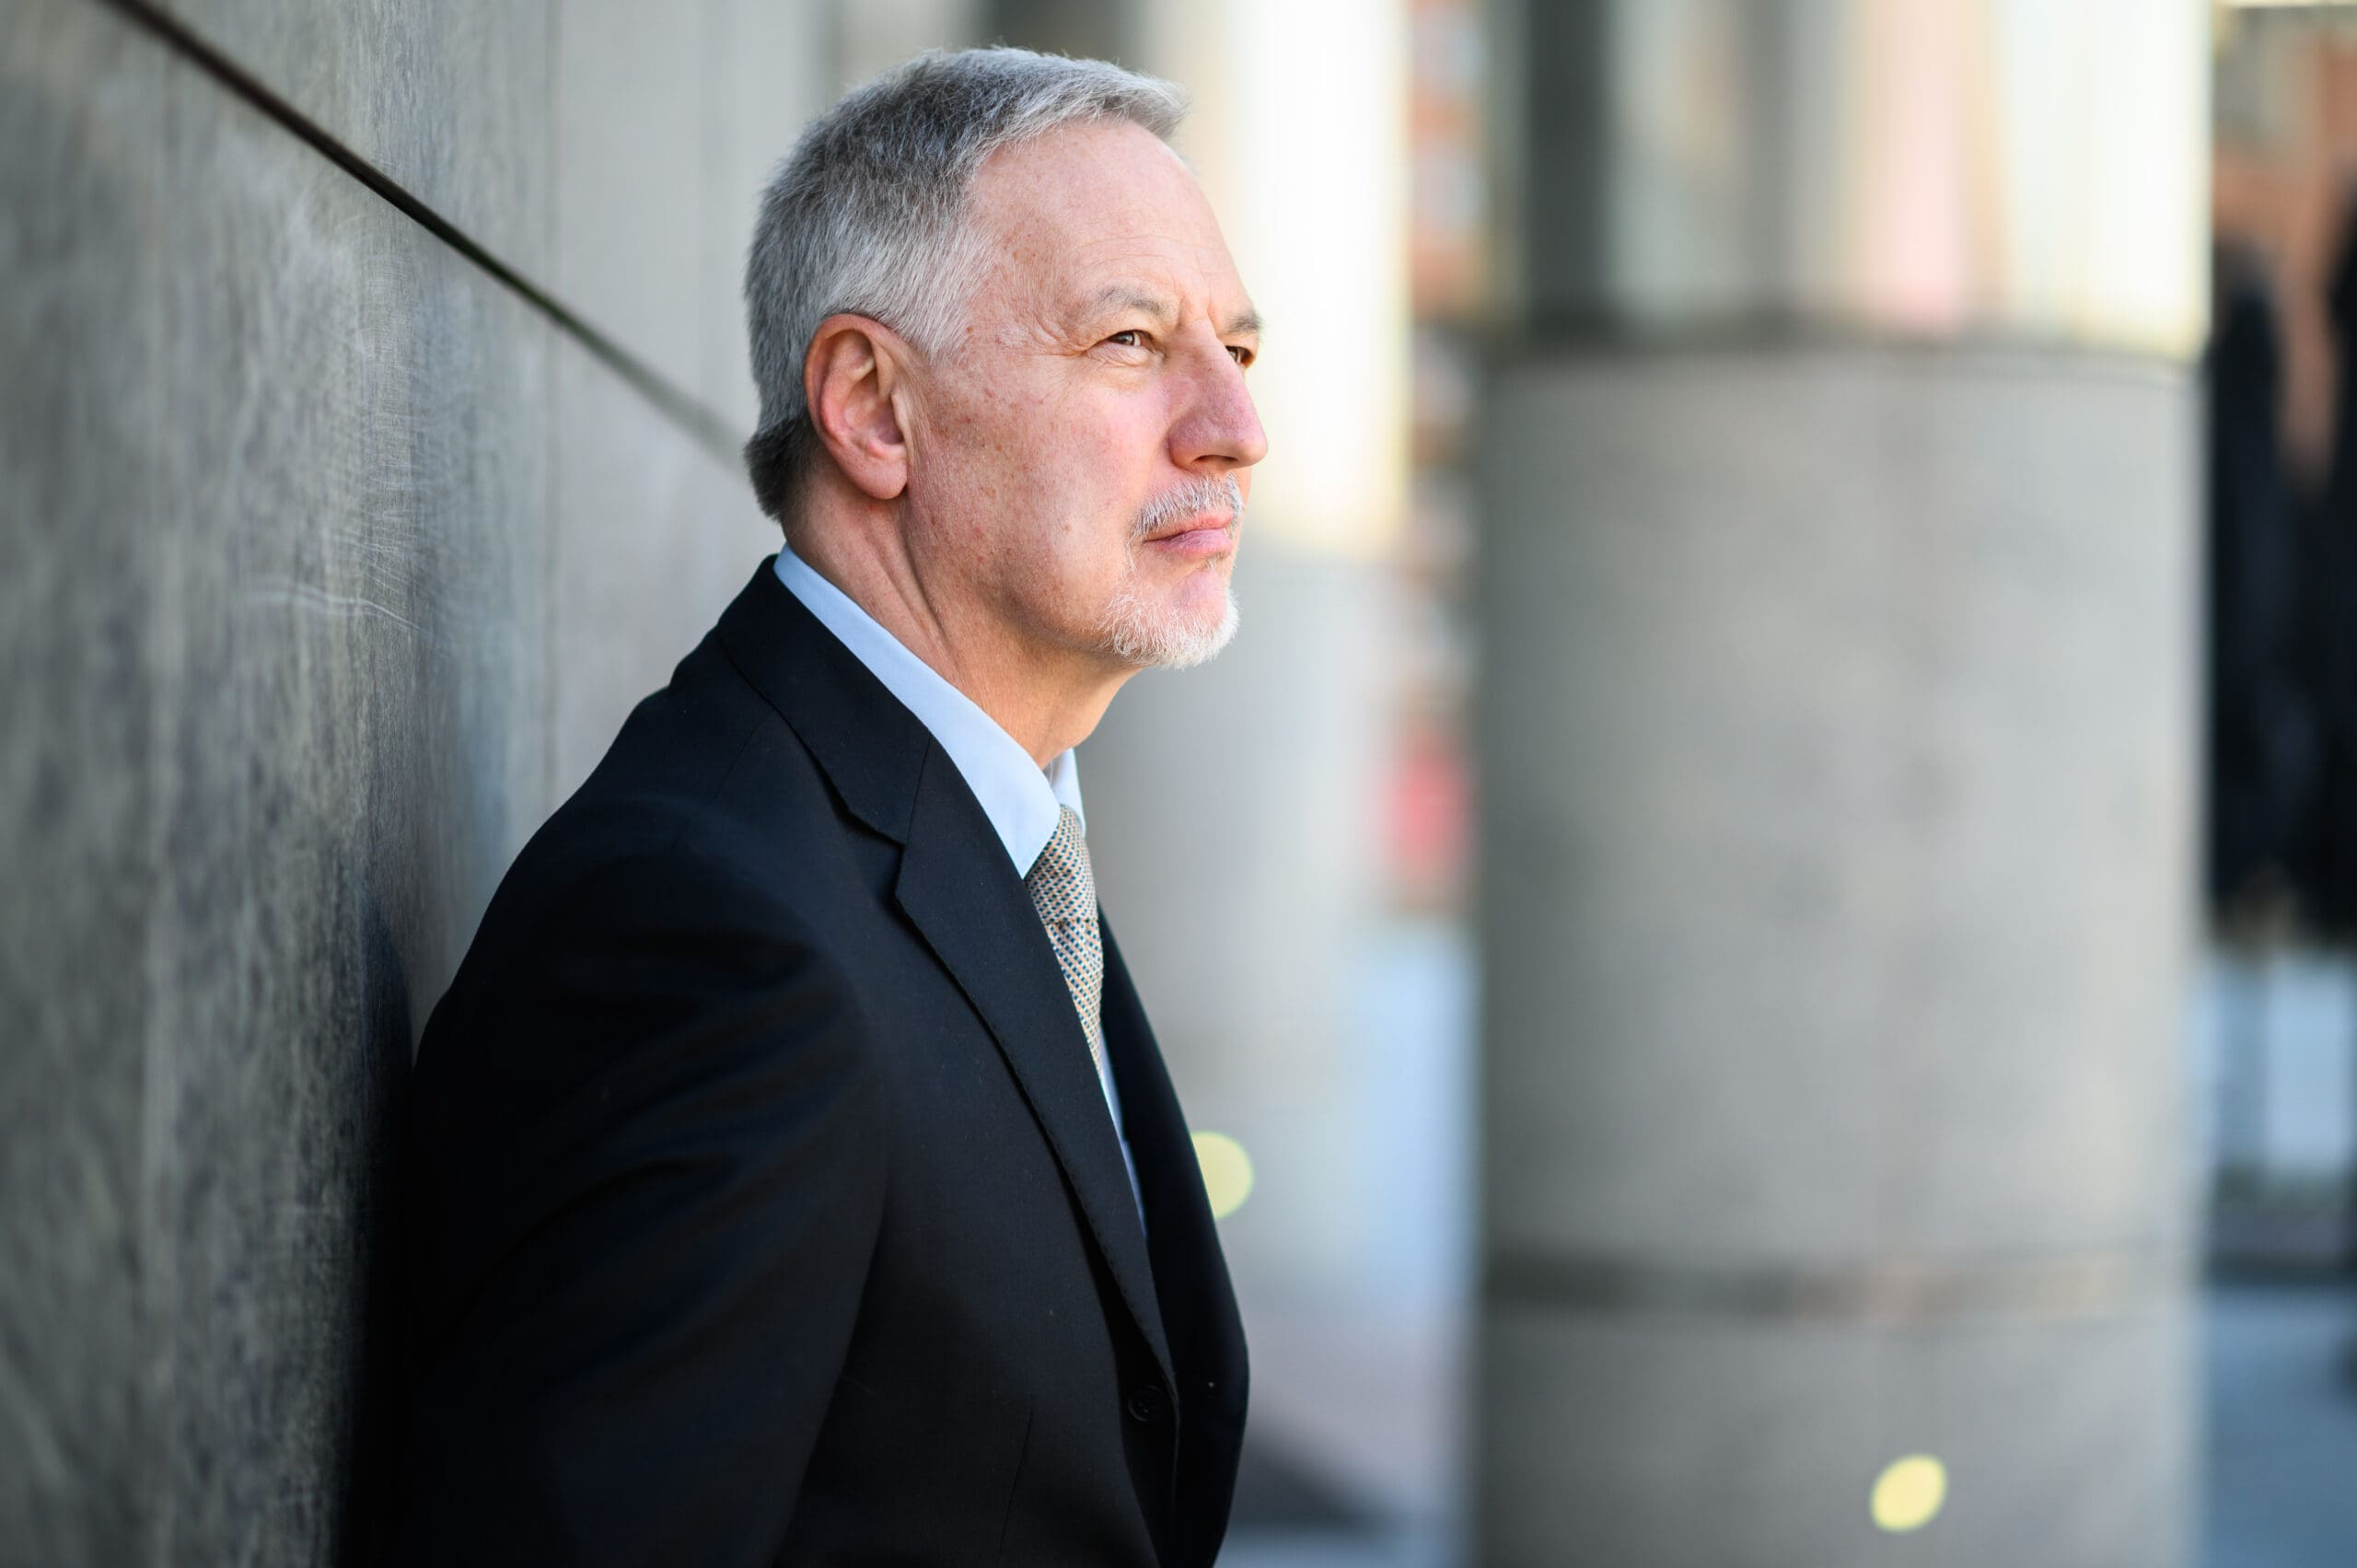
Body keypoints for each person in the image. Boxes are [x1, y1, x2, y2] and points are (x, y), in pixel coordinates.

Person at [389, 48, 1265, 1567]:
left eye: (1240, 351)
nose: (1232, 429)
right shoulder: (712, 929)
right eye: (1132, 341)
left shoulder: (988, 835)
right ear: (873, 408)